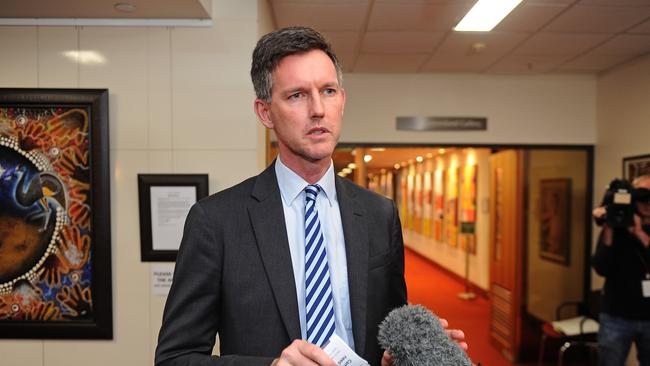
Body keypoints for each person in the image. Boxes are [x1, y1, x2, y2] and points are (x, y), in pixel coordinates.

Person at [155, 26, 466, 366]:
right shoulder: (216, 222)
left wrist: (409, 355)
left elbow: (385, 337)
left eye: (328, 91)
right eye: (297, 95)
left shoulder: (380, 215)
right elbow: (175, 358)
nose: (318, 109)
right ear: (265, 112)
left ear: (342, 101)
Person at [592, 174, 650, 366]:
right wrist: (609, 229)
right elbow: (601, 267)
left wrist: (640, 234)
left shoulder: (639, 230)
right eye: (643, 196)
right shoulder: (617, 227)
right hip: (616, 316)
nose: (647, 203)